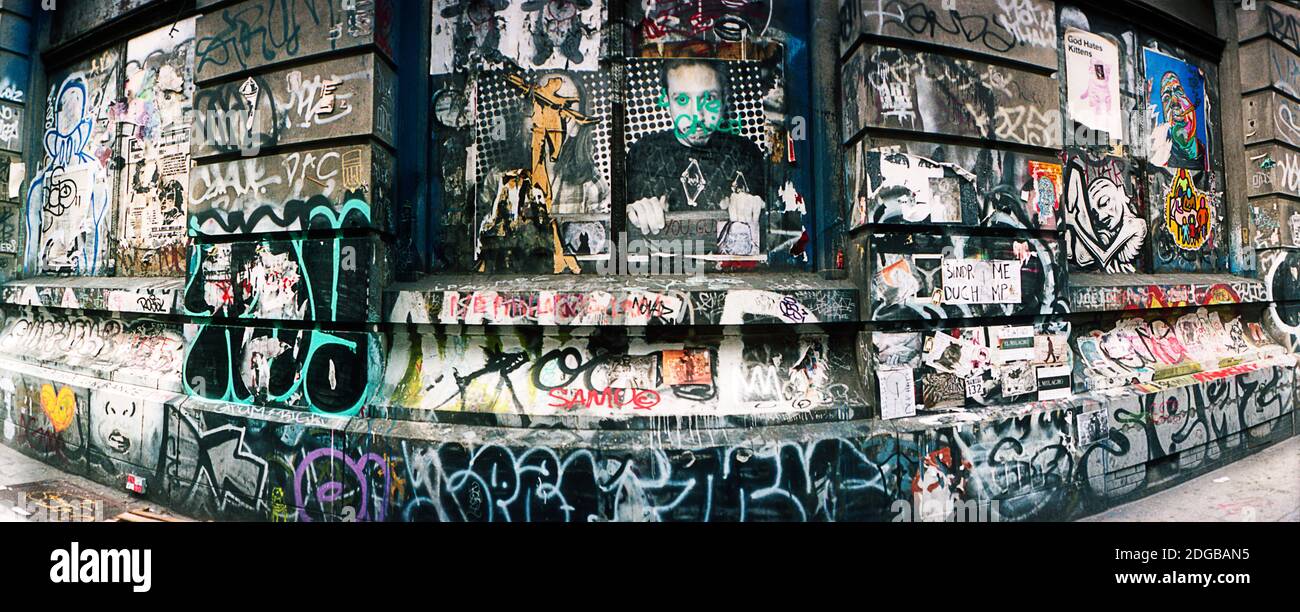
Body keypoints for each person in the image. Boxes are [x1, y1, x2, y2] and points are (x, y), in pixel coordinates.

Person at [625, 60, 766, 240]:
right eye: (682, 100)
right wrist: (632, 214)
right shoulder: (643, 153)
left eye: (709, 98)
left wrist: (759, 209)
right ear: (667, 101)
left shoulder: (747, 153)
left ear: (724, 99)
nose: (696, 116)